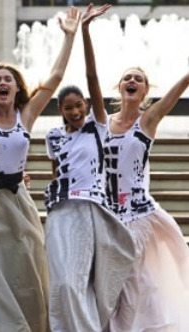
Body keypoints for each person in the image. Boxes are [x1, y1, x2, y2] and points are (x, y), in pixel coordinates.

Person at [0, 1, 79, 330]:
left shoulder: (27, 114)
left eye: (8, 79)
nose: (2, 83)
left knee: (25, 269)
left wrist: (69, 36)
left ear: (18, 87)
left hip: (18, 202)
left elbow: (56, 76)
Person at [44, 4, 136, 331]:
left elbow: (92, 78)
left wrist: (84, 31)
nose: (74, 112)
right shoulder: (52, 136)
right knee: (58, 282)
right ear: (60, 109)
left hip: (87, 209)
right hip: (58, 212)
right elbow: (57, 174)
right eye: (68, 108)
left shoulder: (97, 126)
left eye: (78, 105)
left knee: (76, 281)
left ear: (86, 105)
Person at [103, 42, 189, 332]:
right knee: (111, 286)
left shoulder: (148, 119)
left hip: (138, 216)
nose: (132, 81)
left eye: (138, 79)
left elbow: (174, 96)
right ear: (119, 87)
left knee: (132, 284)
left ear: (145, 91)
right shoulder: (102, 124)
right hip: (106, 215)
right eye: (128, 77)